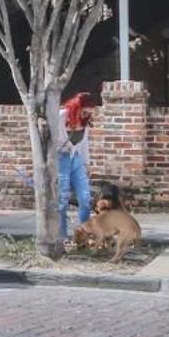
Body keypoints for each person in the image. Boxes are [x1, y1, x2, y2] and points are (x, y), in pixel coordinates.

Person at [58, 90, 100, 241]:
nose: (89, 111)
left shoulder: (85, 120)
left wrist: (87, 163)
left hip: (76, 159)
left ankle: (84, 233)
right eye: (86, 107)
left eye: (91, 108)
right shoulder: (62, 115)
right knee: (62, 199)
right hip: (60, 158)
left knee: (85, 198)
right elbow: (55, 138)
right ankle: (62, 236)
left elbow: (84, 144)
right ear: (78, 106)